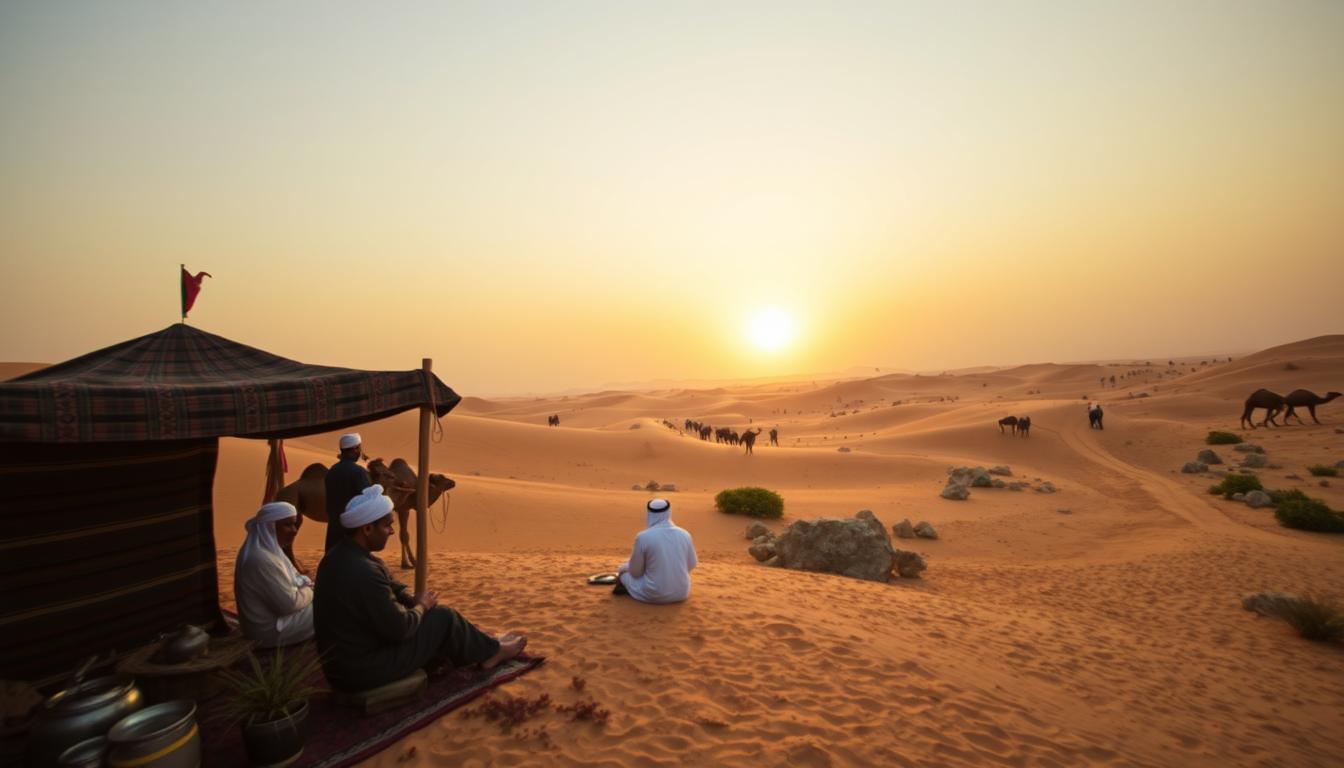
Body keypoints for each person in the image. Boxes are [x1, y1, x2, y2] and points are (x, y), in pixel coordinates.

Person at [313, 485, 527, 692]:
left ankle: (483, 647)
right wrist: (422, 606)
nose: (392, 531)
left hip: (341, 668)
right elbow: (401, 629)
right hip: (362, 671)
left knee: (432, 618)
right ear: (367, 528)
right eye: (387, 525)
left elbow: (390, 585)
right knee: (443, 617)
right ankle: (494, 652)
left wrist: (408, 597)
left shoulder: (339, 556)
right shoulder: (363, 570)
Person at [235, 501, 315, 647]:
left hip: (279, 621)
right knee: (333, 605)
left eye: (294, 524)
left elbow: (296, 582)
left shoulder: (271, 553)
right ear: (270, 527)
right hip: (269, 632)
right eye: (287, 525)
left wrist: (305, 585)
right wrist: (310, 590)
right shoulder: (260, 558)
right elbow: (289, 604)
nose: (294, 530)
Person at [614, 498, 697, 604]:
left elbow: (635, 573)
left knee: (623, 574)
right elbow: (692, 565)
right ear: (669, 512)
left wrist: (623, 568)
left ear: (649, 513)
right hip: (682, 593)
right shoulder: (685, 534)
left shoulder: (643, 537)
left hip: (654, 595)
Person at [324, 432, 371, 553]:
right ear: (355, 449)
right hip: (353, 531)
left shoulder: (331, 471)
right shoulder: (359, 472)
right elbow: (367, 501)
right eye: (359, 448)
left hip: (334, 529)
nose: (360, 452)